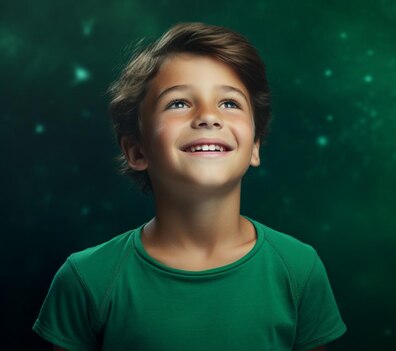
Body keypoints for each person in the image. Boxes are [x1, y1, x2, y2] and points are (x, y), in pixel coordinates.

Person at [32, 22, 347, 351]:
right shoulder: (86, 279)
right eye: (179, 103)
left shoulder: (299, 268)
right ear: (137, 151)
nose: (209, 117)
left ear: (255, 146)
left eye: (229, 103)